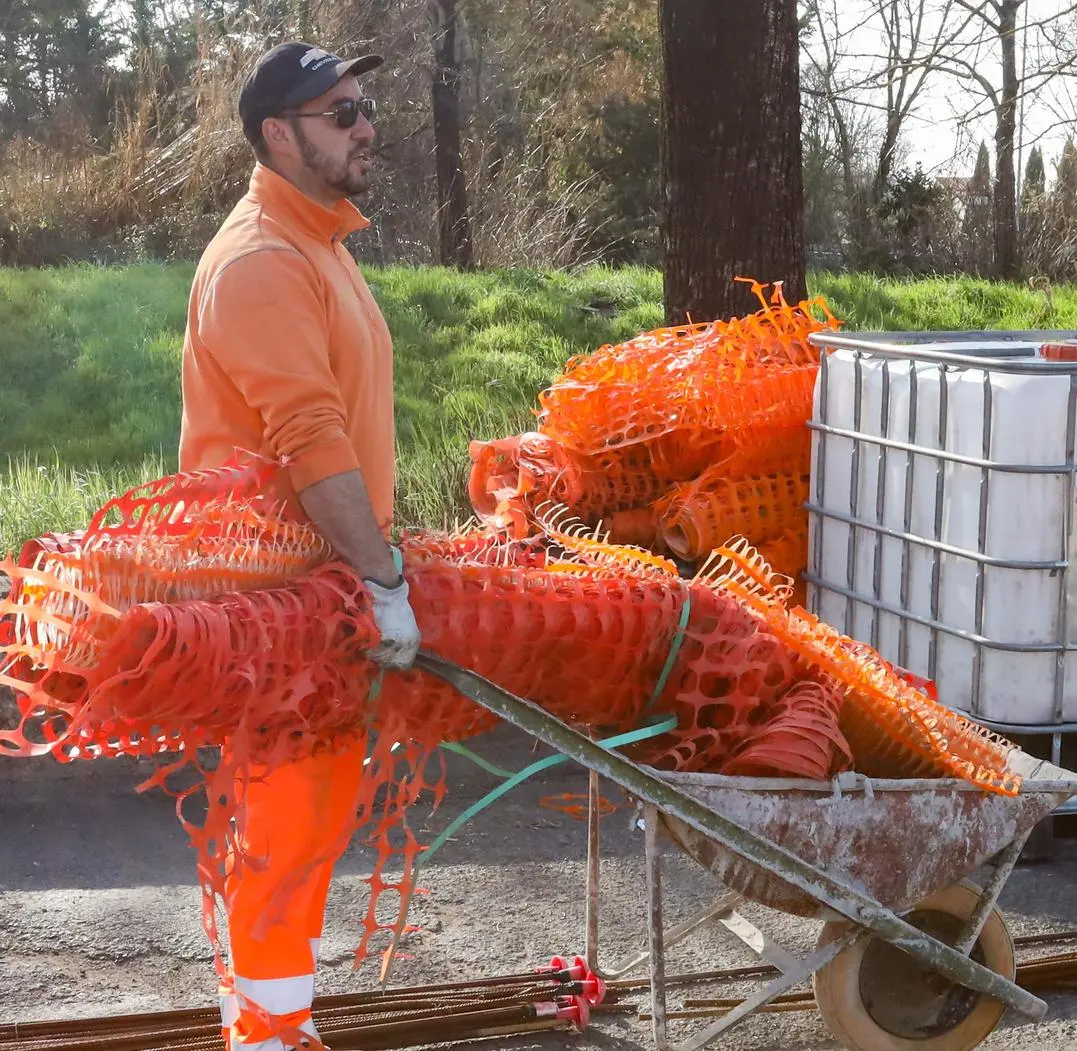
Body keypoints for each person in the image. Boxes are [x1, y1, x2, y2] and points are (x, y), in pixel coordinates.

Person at [178, 40, 422, 1051]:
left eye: (366, 107)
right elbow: (311, 444)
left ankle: (271, 1024)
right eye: (342, 112)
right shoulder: (264, 261)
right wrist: (384, 576)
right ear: (280, 135)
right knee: (286, 828)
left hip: (318, 600)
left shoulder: (318, 243)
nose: (367, 126)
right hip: (281, 607)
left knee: (304, 822)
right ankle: (269, 1037)